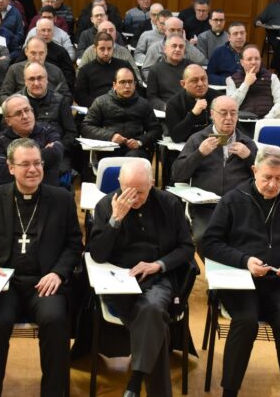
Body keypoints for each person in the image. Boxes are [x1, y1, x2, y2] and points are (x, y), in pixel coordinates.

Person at [0, 138, 82, 396]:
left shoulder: (61, 199)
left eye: (37, 163)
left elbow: (74, 244)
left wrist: (58, 273)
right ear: (10, 167)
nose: (33, 170)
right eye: (25, 164)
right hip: (4, 283)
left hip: (45, 282)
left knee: (55, 322)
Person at [201, 145, 280, 397]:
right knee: (245, 321)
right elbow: (209, 243)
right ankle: (229, 391)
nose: (272, 185)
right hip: (242, 282)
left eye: (279, 178)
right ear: (254, 170)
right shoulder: (233, 199)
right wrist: (244, 260)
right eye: (267, 177)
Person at [88, 159, 194, 397]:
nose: (133, 198)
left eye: (140, 192)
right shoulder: (106, 205)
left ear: (152, 183)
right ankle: (139, 385)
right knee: (155, 320)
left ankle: (135, 382)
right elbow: (97, 253)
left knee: (154, 308)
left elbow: (187, 248)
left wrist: (158, 265)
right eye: (127, 191)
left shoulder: (169, 203)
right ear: (119, 183)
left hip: (158, 276)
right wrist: (115, 221)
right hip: (119, 279)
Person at [172, 95, 258, 242]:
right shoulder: (197, 139)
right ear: (212, 114)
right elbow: (177, 174)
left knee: (248, 239)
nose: (229, 118)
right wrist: (199, 154)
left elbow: (263, 177)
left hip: (240, 207)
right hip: (206, 208)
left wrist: (249, 157)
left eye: (233, 113)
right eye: (223, 113)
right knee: (205, 239)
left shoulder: (247, 142)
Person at [81, 68, 163, 160]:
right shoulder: (101, 102)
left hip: (136, 152)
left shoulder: (144, 104)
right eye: (122, 82)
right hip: (108, 150)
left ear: (135, 85)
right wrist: (110, 136)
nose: (127, 86)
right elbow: (86, 127)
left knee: (132, 159)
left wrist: (140, 141)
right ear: (114, 85)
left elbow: (156, 130)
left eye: (130, 82)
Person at [0, 94, 63, 186]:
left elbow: (56, 153)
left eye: (27, 110)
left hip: (48, 190)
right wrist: (43, 156)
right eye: (18, 113)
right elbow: (0, 174)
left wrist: (17, 164)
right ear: (8, 121)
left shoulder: (48, 130)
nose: (25, 116)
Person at [19, 62, 77, 152]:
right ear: (25, 81)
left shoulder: (60, 101)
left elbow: (71, 133)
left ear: (47, 79)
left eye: (40, 78)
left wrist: (58, 147)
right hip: (23, 153)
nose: (36, 83)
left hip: (56, 153)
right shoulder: (15, 102)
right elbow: (7, 132)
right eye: (31, 79)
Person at [0, 37, 71, 104]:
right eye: (33, 53)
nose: (37, 57)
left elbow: (67, 96)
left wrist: (54, 105)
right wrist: (17, 104)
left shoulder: (56, 70)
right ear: (26, 51)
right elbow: (3, 96)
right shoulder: (14, 69)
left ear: (46, 52)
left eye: (41, 53)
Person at [226, 45, 280, 121]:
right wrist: (246, 84)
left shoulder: (272, 78)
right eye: (249, 59)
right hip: (242, 123)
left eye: (257, 59)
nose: (254, 62)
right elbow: (230, 106)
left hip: (268, 122)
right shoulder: (231, 80)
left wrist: (266, 120)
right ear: (242, 62)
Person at [74, 32, 133, 108]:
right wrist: (101, 105)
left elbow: (134, 89)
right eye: (102, 49)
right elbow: (80, 96)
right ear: (95, 49)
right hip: (96, 109)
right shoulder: (85, 70)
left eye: (109, 49)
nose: (106, 53)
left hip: (122, 107)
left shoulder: (124, 66)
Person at [166, 64, 221, 142]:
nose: (200, 84)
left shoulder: (219, 98)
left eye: (203, 79)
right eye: (194, 80)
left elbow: (235, 129)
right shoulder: (174, 103)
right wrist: (193, 114)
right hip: (185, 149)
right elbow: (176, 137)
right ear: (183, 84)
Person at [142, 16, 208, 79]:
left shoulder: (187, 46)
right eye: (172, 30)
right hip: (162, 85)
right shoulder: (154, 48)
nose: (176, 33)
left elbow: (202, 61)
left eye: (179, 30)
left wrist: (186, 44)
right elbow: (146, 70)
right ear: (165, 31)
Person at [78, 21, 142, 80]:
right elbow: (80, 73)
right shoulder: (89, 51)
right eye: (104, 30)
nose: (108, 33)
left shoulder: (124, 52)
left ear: (116, 33)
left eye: (111, 30)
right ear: (98, 33)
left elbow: (135, 73)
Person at [147, 34, 191, 111]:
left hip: (190, 110)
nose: (178, 49)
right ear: (165, 49)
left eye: (181, 47)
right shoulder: (155, 70)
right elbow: (152, 98)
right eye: (174, 46)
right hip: (166, 111)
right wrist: (166, 107)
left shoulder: (192, 67)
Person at [31, 18, 75, 88]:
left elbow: (69, 77)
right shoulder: (29, 50)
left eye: (49, 30)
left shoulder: (61, 52)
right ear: (37, 32)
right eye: (43, 30)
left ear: (53, 32)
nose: (46, 33)